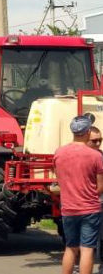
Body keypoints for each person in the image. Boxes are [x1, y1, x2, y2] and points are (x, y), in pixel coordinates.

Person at [54, 116, 103, 274]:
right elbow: (100, 186)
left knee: (70, 248)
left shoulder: (59, 153)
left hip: (68, 208)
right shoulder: (96, 156)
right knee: (87, 249)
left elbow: (60, 179)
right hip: (90, 209)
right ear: (88, 131)